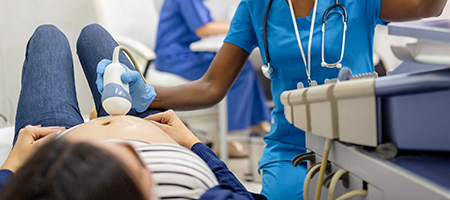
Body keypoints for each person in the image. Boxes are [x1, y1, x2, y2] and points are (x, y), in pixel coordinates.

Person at [101, 0, 449, 200]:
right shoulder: (258, 4)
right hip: (290, 151)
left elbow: (426, 4)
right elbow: (211, 86)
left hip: (360, 145)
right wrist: (147, 94)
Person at [0, 24, 266, 200]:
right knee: (92, 34)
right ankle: (100, 114)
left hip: (55, 152)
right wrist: (192, 143)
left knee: (48, 37)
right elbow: (238, 194)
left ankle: (97, 115)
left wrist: (12, 165)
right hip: (148, 128)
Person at [154, 0, 271, 157]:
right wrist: (242, 23)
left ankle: (259, 124)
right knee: (237, 69)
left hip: (185, 52)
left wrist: (238, 22)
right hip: (174, 56)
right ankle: (229, 137)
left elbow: (206, 23)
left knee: (242, 64)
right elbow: (203, 28)